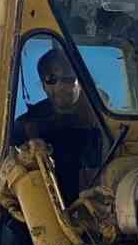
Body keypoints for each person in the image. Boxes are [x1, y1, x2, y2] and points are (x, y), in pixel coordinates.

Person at [10, 48, 103, 202]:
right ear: (43, 85)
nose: (60, 86)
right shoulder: (26, 126)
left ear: (80, 80)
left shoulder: (103, 118)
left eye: (67, 78)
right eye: (51, 79)